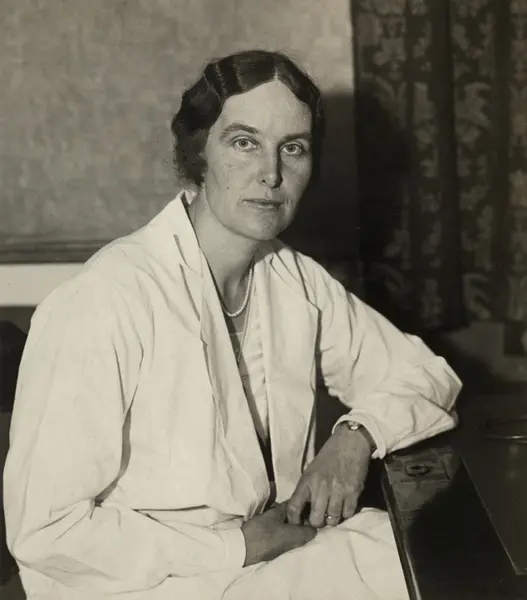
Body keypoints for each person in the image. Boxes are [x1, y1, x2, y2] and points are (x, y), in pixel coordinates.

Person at [4, 50, 461, 600]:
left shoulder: (292, 277)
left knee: (437, 564)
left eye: (292, 148)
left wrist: (355, 437)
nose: (271, 173)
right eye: (244, 142)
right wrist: (233, 547)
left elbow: (426, 376)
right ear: (199, 153)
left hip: (263, 559)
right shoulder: (105, 299)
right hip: (139, 584)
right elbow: (47, 531)